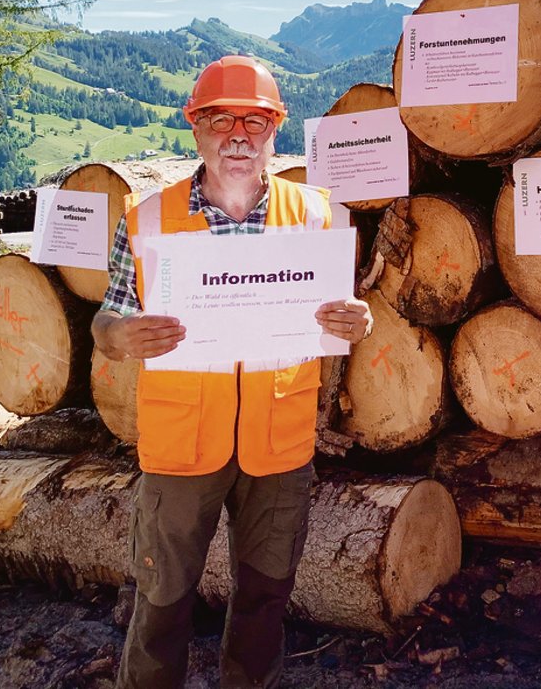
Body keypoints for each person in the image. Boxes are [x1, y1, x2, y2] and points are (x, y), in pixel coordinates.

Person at [92, 54, 373, 689]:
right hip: (180, 446)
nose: (238, 136)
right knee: (161, 597)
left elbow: (343, 314)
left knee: (265, 599)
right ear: (195, 128)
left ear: (275, 130)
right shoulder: (147, 219)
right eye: (221, 120)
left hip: (279, 444)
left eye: (255, 120)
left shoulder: (318, 215)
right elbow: (106, 325)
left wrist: (361, 323)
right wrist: (120, 336)